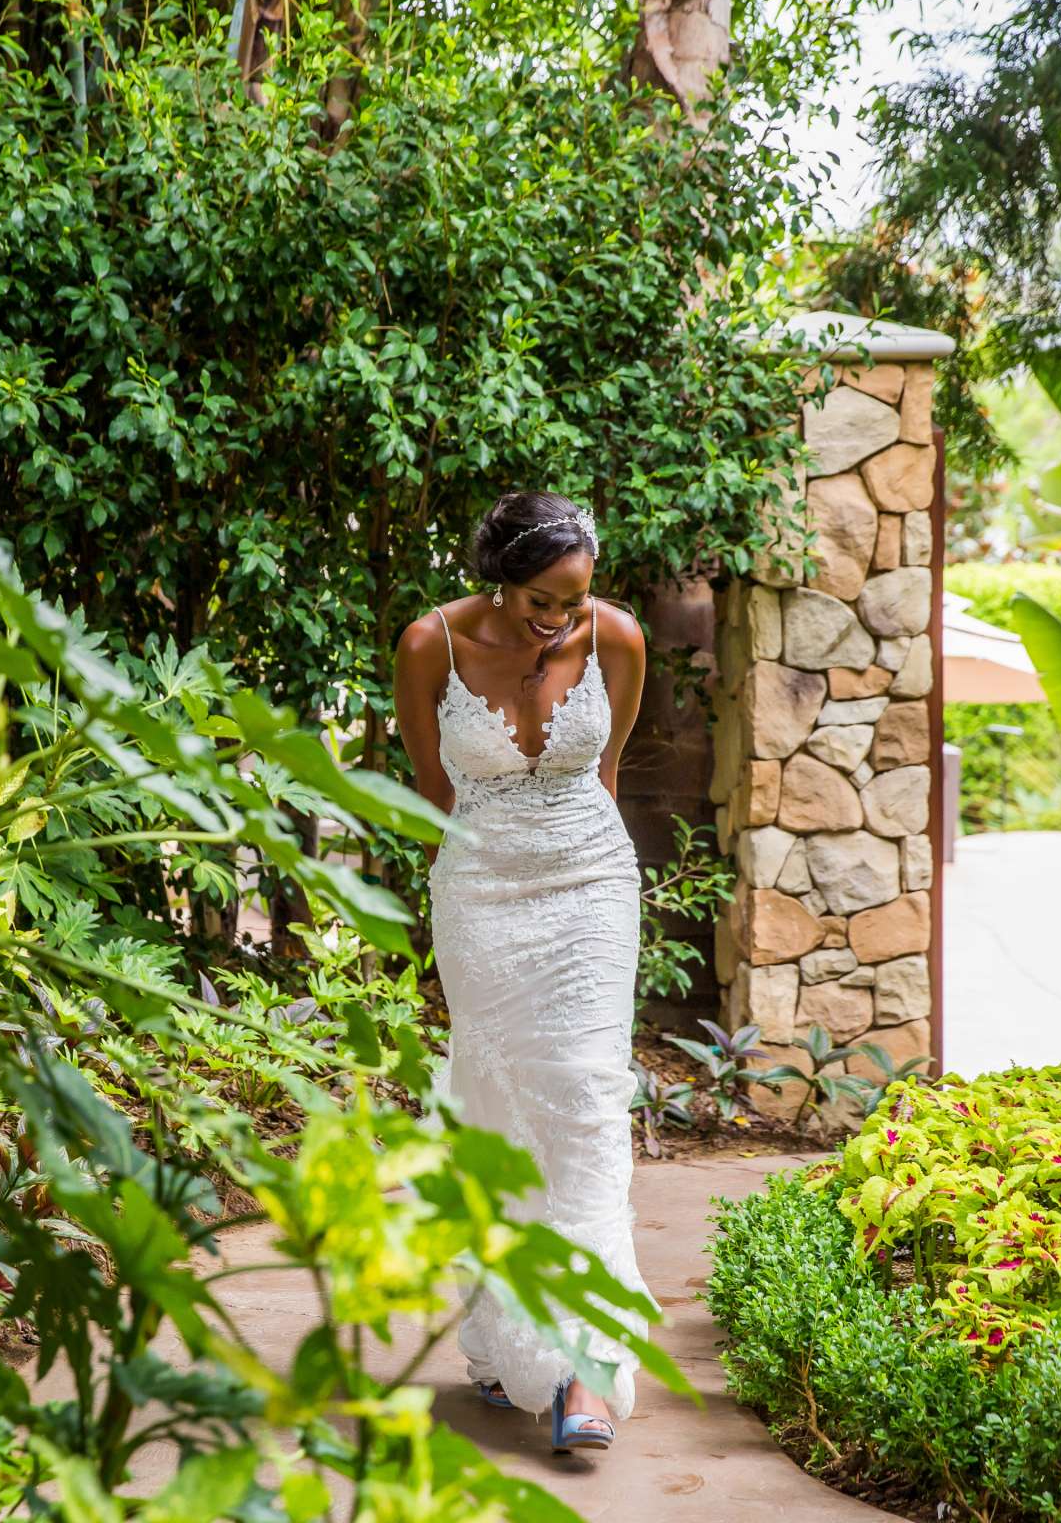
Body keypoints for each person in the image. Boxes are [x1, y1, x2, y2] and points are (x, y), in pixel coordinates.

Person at [390, 490, 656, 1454]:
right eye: (542, 601)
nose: (561, 621)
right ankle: (512, 1341)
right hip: (482, 890)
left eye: (576, 601)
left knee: (587, 1102)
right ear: (496, 581)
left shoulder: (617, 638)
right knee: (501, 1108)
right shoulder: (431, 646)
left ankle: (587, 1369)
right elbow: (433, 788)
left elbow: (608, 767)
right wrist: (485, 864)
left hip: (591, 880)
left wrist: (578, 861)